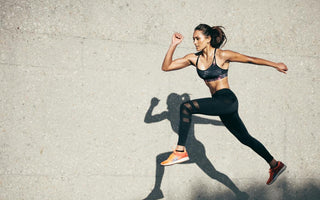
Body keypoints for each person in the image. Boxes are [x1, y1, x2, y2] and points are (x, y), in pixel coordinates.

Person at [160, 24, 287, 185]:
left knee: (186, 107)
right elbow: (166, 67)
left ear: (208, 39)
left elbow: (251, 59)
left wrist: (276, 64)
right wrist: (173, 45)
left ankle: (180, 150)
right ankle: (275, 165)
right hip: (219, 105)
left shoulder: (222, 55)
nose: (194, 42)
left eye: (197, 38)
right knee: (245, 138)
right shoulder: (194, 58)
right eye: (193, 39)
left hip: (227, 100)